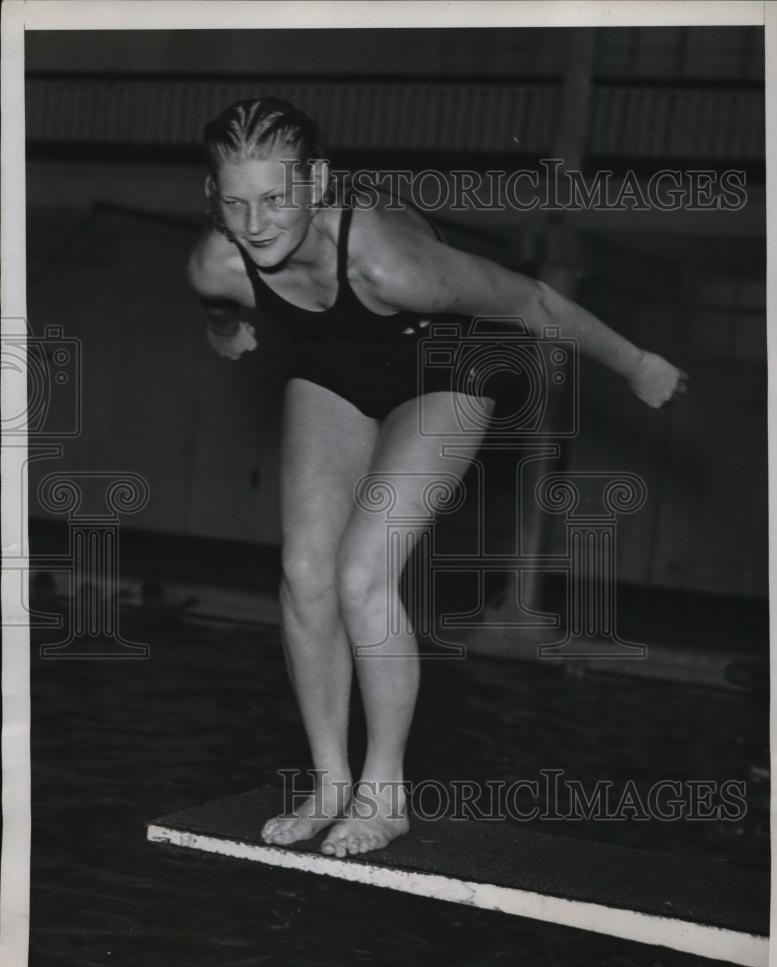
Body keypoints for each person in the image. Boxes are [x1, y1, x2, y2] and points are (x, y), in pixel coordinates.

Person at [186, 97, 687, 860]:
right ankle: (328, 783)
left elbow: (533, 299)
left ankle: (383, 795)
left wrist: (639, 365)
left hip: (445, 362)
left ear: (316, 181)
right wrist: (228, 331)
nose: (256, 225)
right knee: (303, 571)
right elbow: (216, 301)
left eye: (276, 198)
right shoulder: (218, 259)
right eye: (236, 203)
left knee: (361, 572)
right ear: (215, 201)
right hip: (334, 364)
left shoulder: (390, 259)